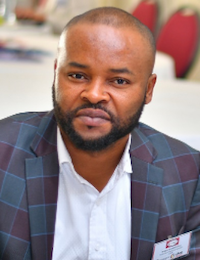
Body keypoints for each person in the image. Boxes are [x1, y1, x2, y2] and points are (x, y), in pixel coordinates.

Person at [0, 7, 199, 260]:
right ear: (55, 75)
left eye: (118, 81)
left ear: (148, 90)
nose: (94, 94)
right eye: (78, 75)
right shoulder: (3, 155)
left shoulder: (189, 174)